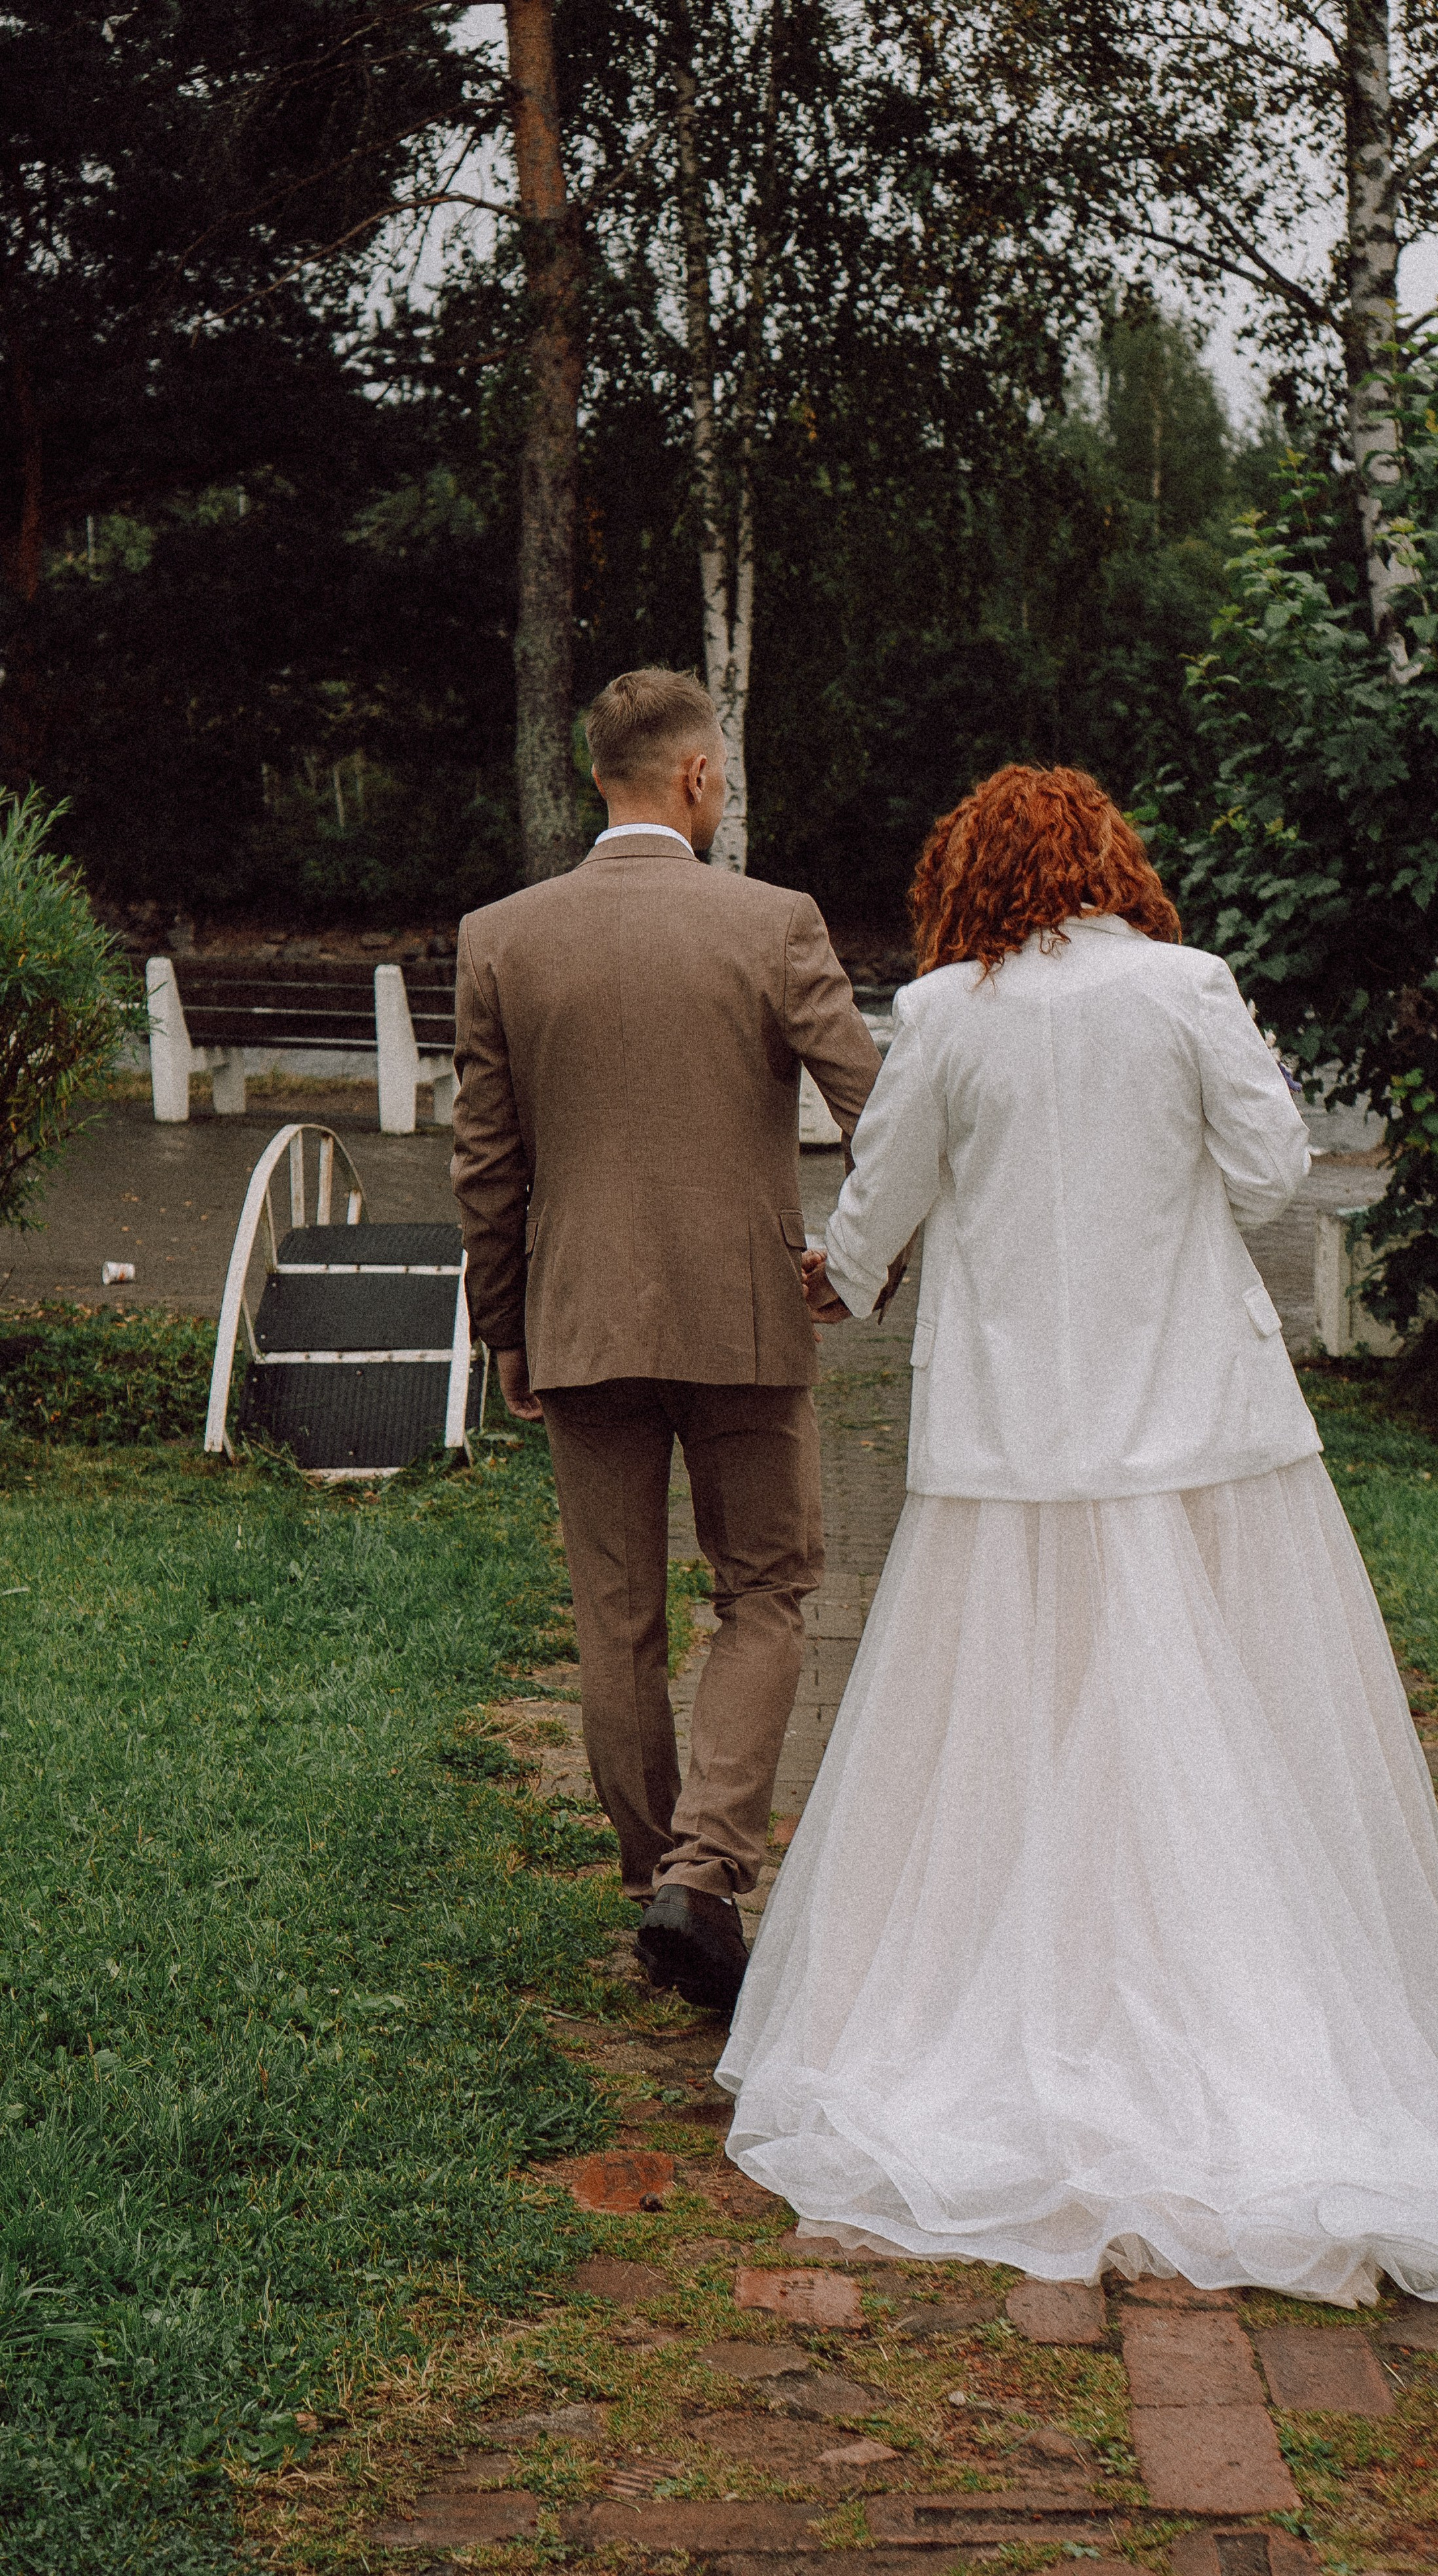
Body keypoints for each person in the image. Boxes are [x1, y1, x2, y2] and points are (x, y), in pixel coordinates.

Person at [716, 763, 1438, 2306]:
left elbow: (880, 1190)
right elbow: (1266, 1167)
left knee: (1014, 1712)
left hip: (1012, 1439)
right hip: (1194, 1420)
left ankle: (1017, 1998)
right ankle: (1248, 2004)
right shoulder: (1187, 987)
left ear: (966, 875)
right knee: (1224, 1712)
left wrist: (837, 1280)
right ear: (1110, 862)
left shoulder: (949, 1014)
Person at [451, 666, 881, 2016]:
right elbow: (882, 1111)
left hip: (578, 1315)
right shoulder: (773, 923)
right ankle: (708, 1868)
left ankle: (656, 1889)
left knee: (614, 1615)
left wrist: (502, 1327)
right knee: (766, 1588)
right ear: (696, 778)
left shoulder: (500, 939)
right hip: (746, 1316)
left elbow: (485, 1164)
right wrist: (864, 1264)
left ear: (598, 777)